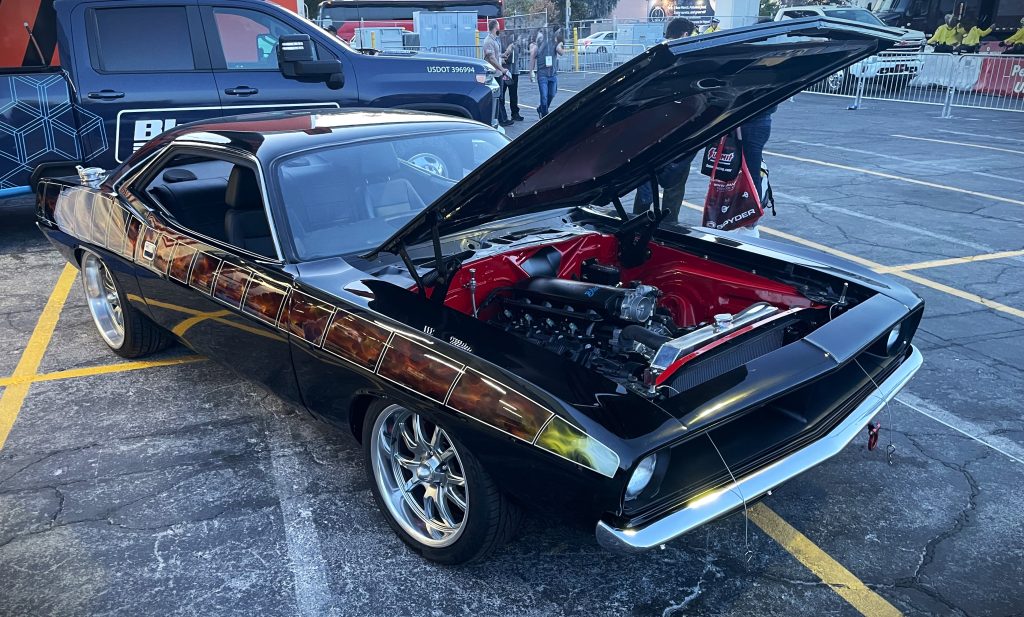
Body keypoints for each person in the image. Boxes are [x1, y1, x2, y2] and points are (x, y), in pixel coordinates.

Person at [632, 18, 699, 223]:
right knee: (674, 188)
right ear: (686, 35)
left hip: (648, 135)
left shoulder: (651, 56)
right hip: (678, 133)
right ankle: (669, 231)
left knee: (645, 188)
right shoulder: (689, 60)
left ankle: (637, 225)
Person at [482, 19, 514, 126]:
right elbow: (491, 58)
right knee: (498, 97)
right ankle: (501, 119)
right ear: (495, 27)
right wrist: (502, 69)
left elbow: (495, 56)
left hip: (498, 73)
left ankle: (502, 118)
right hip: (494, 73)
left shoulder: (494, 40)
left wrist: (502, 56)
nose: (499, 27)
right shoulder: (488, 41)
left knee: (500, 97)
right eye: (498, 25)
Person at [529, 29, 564, 118]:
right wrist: (531, 71)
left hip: (552, 74)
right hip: (542, 74)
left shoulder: (555, 44)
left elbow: (561, 52)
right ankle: (544, 115)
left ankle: (541, 108)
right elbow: (532, 57)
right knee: (544, 96)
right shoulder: (538, 45)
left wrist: (560, 45)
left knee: (552, 94)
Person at [501, 32, 523, 122]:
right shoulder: (504, 45)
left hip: (514, 72)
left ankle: (515, 113)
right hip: (506, 72)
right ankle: (502, 114)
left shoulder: (517, 46)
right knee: (502, 93)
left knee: (513, 94)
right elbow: (504, 58)